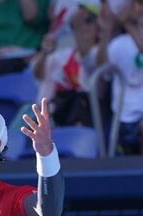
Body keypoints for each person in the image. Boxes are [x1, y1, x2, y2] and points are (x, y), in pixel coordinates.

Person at [32, 3, 107, 127]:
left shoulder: (100, 55)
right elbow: (38, 73)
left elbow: (89, 58)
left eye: (89, 21)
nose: (84, 27)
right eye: (78, 23)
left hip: (89, 116)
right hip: (61, 115)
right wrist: (44, 52)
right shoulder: (64, 55)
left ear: (98, 27)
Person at [107, 0, 143, 154]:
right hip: (125, 120)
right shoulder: (118, 44)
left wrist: (128, 24)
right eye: (139, 4)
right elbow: (102, 73)